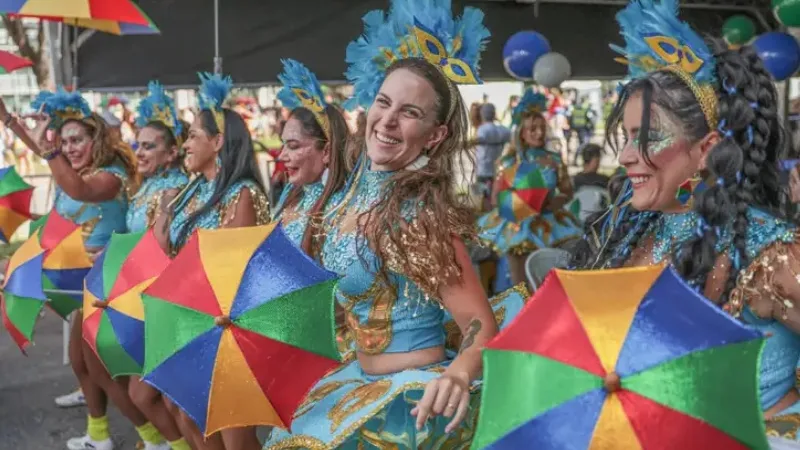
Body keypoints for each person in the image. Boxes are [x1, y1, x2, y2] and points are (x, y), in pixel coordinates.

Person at [262, 1, 525, 447]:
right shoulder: (350, 193)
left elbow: (480, 325)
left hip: (409, 401)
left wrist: (458, 375)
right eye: (383, 102)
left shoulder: (418, 215)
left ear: (435, 135)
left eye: (410, 112)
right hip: (357, 379)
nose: (387, 120)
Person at [570, 1, 800, 448]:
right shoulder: (630, 234)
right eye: (626, 138)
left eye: (647, 137)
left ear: (708, 148)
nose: (625, 156)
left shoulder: (770, 256)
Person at [0, 91, 175, 450]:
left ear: (97, 139)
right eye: (64, 142)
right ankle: (101, 434)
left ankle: (156, 438)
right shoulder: (72, 168)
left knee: (104, 369)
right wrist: (8, 120)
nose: (69, 148)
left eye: (77, 140)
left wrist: (50, 151)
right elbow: (47, 155)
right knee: (82, 364)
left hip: (115, 284)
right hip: (87, 281)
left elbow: (78, 189)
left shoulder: (111, 176)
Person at [154, 72, 269, 450]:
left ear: (218, 142)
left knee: (232, 428)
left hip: (228, 323)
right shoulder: (194, 191)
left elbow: (233, 268)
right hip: (192, 315)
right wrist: (165, 212)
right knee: (186, 412)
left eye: (193, 136)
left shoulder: (243, 194)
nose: (185, 144)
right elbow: (163, 249)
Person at [126, 81, 193, 450]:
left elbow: (164, 248)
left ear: (172, 153)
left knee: (161, 396)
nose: (139, 152)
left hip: (169, 301)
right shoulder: (147, 186)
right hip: (142, 295)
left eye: (149, 146)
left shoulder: (175, 189)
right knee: (152, 395)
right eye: (138, 144)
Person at [477, 88, 582, 287]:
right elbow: (496, 198)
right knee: (519, 280)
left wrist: (553, 203)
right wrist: (518, 205)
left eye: (542, 128)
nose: (539, 133)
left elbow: (567, 192)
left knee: (550, 278)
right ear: (522, 134)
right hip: (516, 222)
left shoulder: (554, 160)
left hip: (549, 222)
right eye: (533, 129)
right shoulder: (508, 162)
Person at [271, 59, 349, 251]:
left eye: (293, 146)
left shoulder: (342, 206)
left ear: (326, 151)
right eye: (283, 145)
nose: (282, 156)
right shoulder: (291, 192)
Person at [472, 103, 511, 211]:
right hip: (497, 170)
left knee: (482, 198)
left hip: (482, 170)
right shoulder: (503, 130)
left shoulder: (482, 129)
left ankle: (485, 217)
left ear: (482, 115)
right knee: (495, 198)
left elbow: (479, 140)